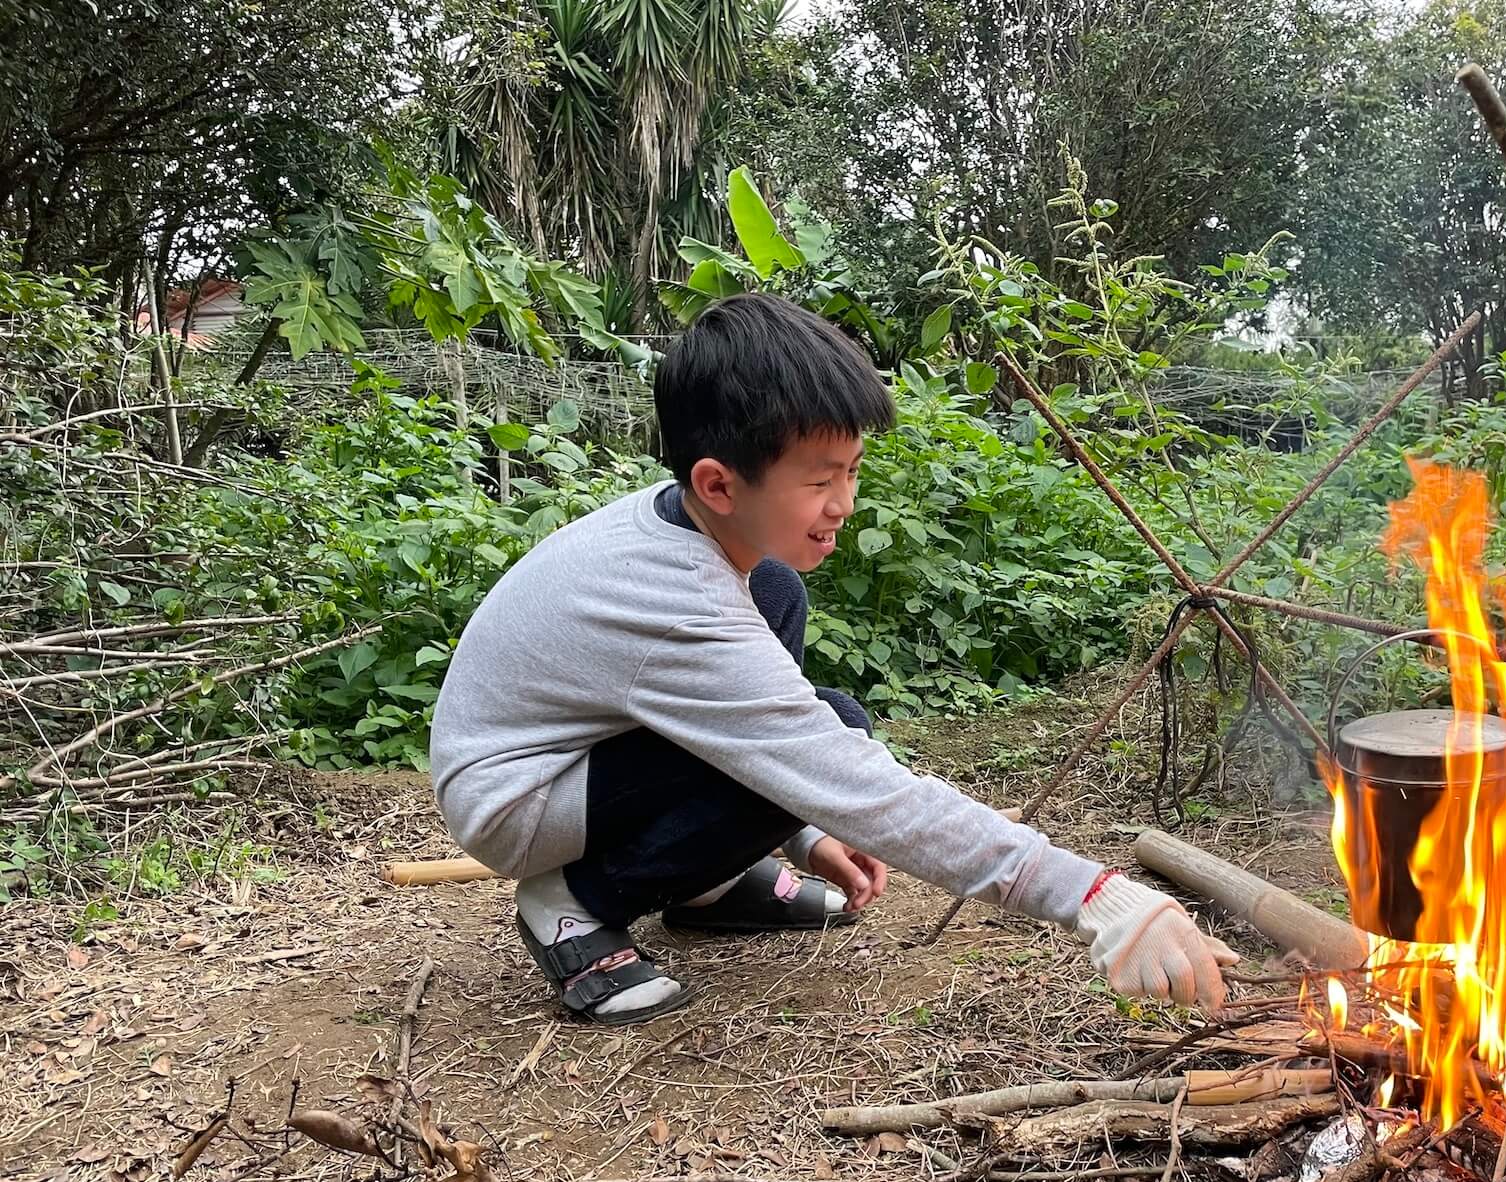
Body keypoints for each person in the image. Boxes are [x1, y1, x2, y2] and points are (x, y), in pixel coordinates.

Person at [429, 294, 1235, 1024]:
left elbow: (783, 754)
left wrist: (801, 831)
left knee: (778, 591)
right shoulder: (675, 604)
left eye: (851, 470)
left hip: (575, 756)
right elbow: (852, 780)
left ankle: (703, 884)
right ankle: (572, 899)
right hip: (516, 797)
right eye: (821, 480)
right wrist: (1091, 893)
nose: (844, 503)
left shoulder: (703, 530)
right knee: (831, 732)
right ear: (718, 483)